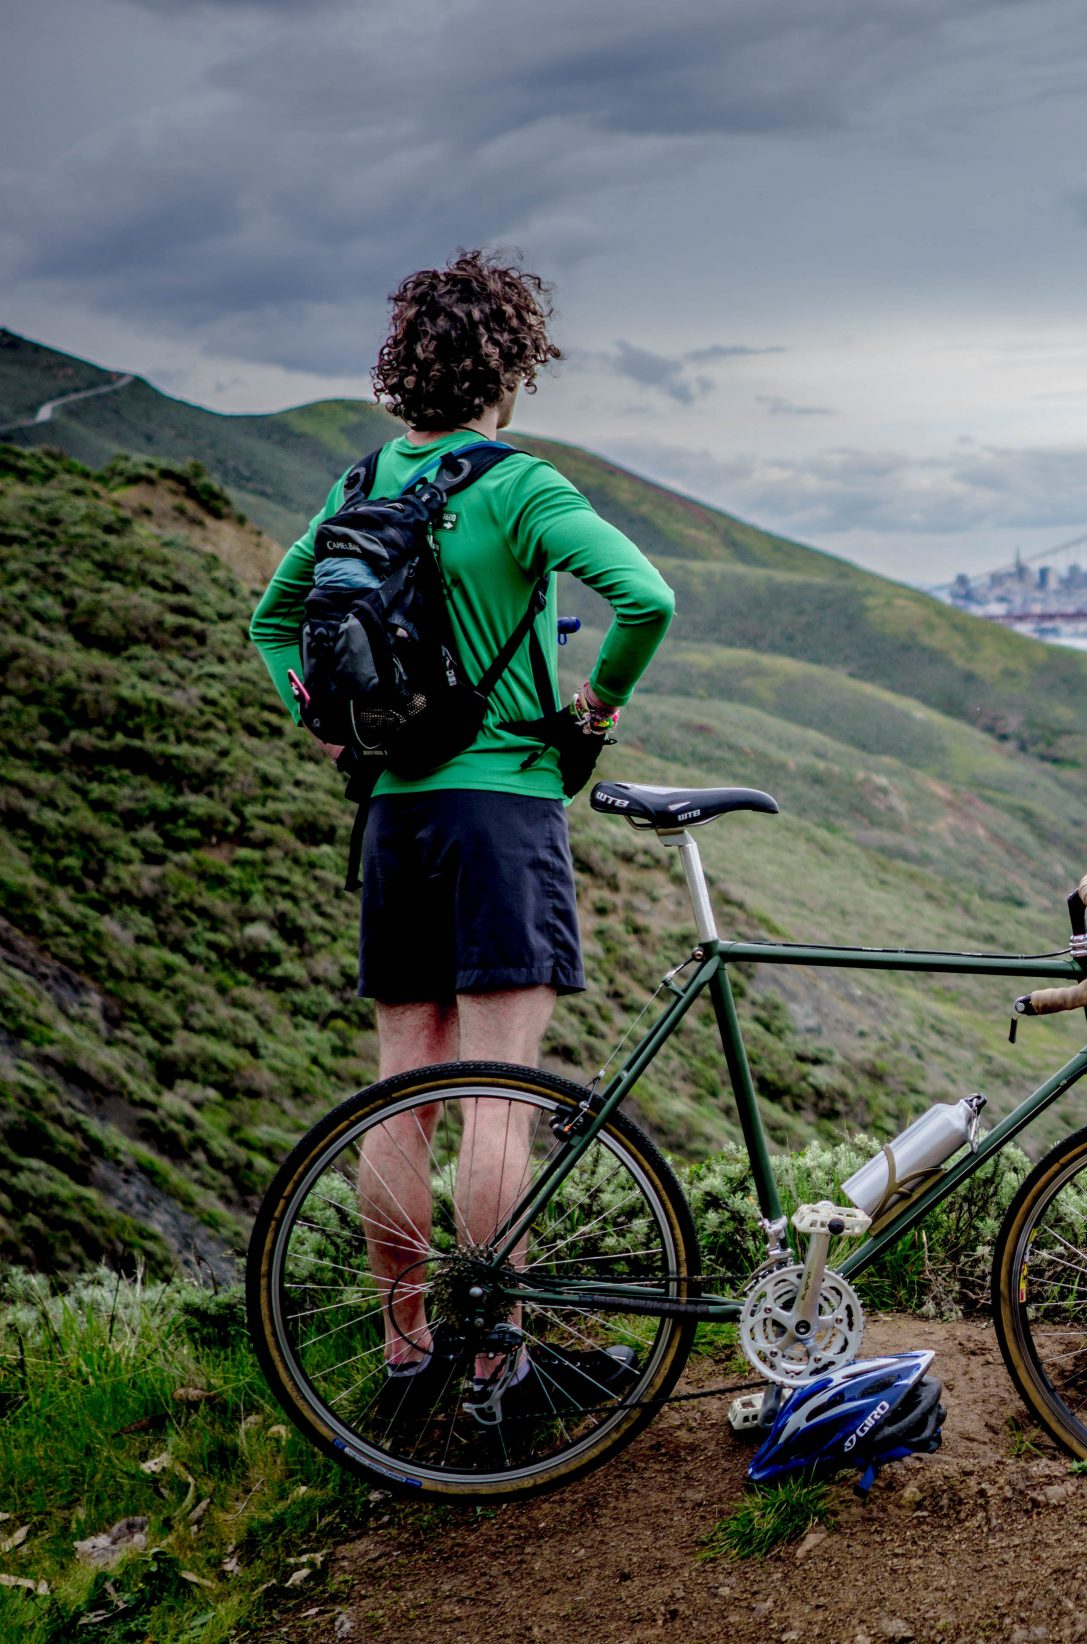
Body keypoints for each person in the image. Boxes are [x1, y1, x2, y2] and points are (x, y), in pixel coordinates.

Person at [248, 249, 677, 1413]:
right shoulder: (521, 489)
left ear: (405, 367)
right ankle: (494, 1364)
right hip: (503, 810)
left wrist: (330, 731)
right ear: (513, 369)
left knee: (404, 1087)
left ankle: (404, 1352)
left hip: (395, 815)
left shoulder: (360, 485)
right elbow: (648, 600)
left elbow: (271, 618)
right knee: (498, 1092)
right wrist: (595, 708)